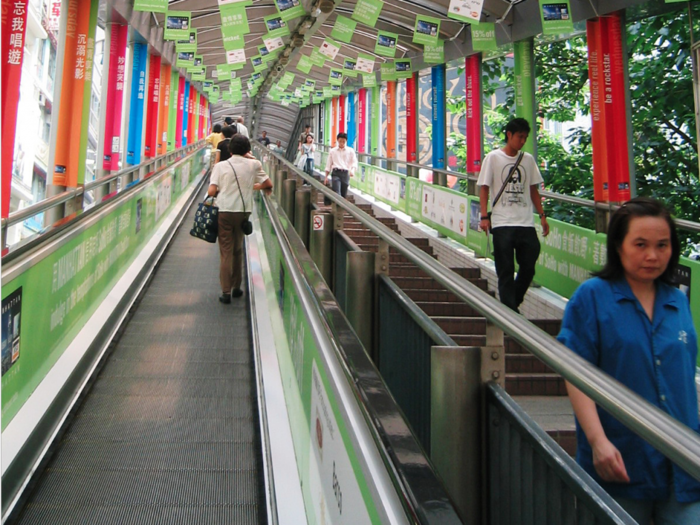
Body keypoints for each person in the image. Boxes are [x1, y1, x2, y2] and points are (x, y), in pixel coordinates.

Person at [557, 197, 699, 524]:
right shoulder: (592, 296)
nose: (652, 255)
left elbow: (683, 377)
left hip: (683, 464)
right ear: (618, 246)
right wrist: (597, 441)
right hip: (621, 460)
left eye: (662, 245)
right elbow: (575, 372)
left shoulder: (677, 300)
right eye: (640, 244)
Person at [478, 117, 549, 313]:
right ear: (509, 135)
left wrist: (542, 215)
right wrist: (484, 217)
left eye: (525, 137)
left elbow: (534, 189)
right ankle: (511, 312)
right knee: (506, 269)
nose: (523, 141)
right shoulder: (493, 158)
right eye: (520, 136)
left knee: (529, 264)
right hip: (502, 222)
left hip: (525, 222)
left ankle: (511, 304)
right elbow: (483, 188)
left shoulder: (527, 160)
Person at [208, 135, 273, 303]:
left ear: (229, 149)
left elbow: (211, 191)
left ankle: (226, 292)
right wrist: (255, 186)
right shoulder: (254, 164)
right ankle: (237, 287)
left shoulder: (220, 166)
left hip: (224, 211)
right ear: (247, 150)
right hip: (243, 212)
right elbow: (268, 184)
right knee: (238, 249)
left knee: (226, 252)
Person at [324, 132, 356, 198]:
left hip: (345, 173)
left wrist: (352, 170)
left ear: (346, 141)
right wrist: (326, 176)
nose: (342, 143)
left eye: (343, 141)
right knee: (337, 192)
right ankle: (337, 206)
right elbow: (329, 163)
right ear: (338, 140)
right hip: (336, 172)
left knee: (343, 194)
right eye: (340, 141)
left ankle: (340, 207)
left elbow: (354, 162)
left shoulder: (350, 151)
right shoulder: (333, 151)